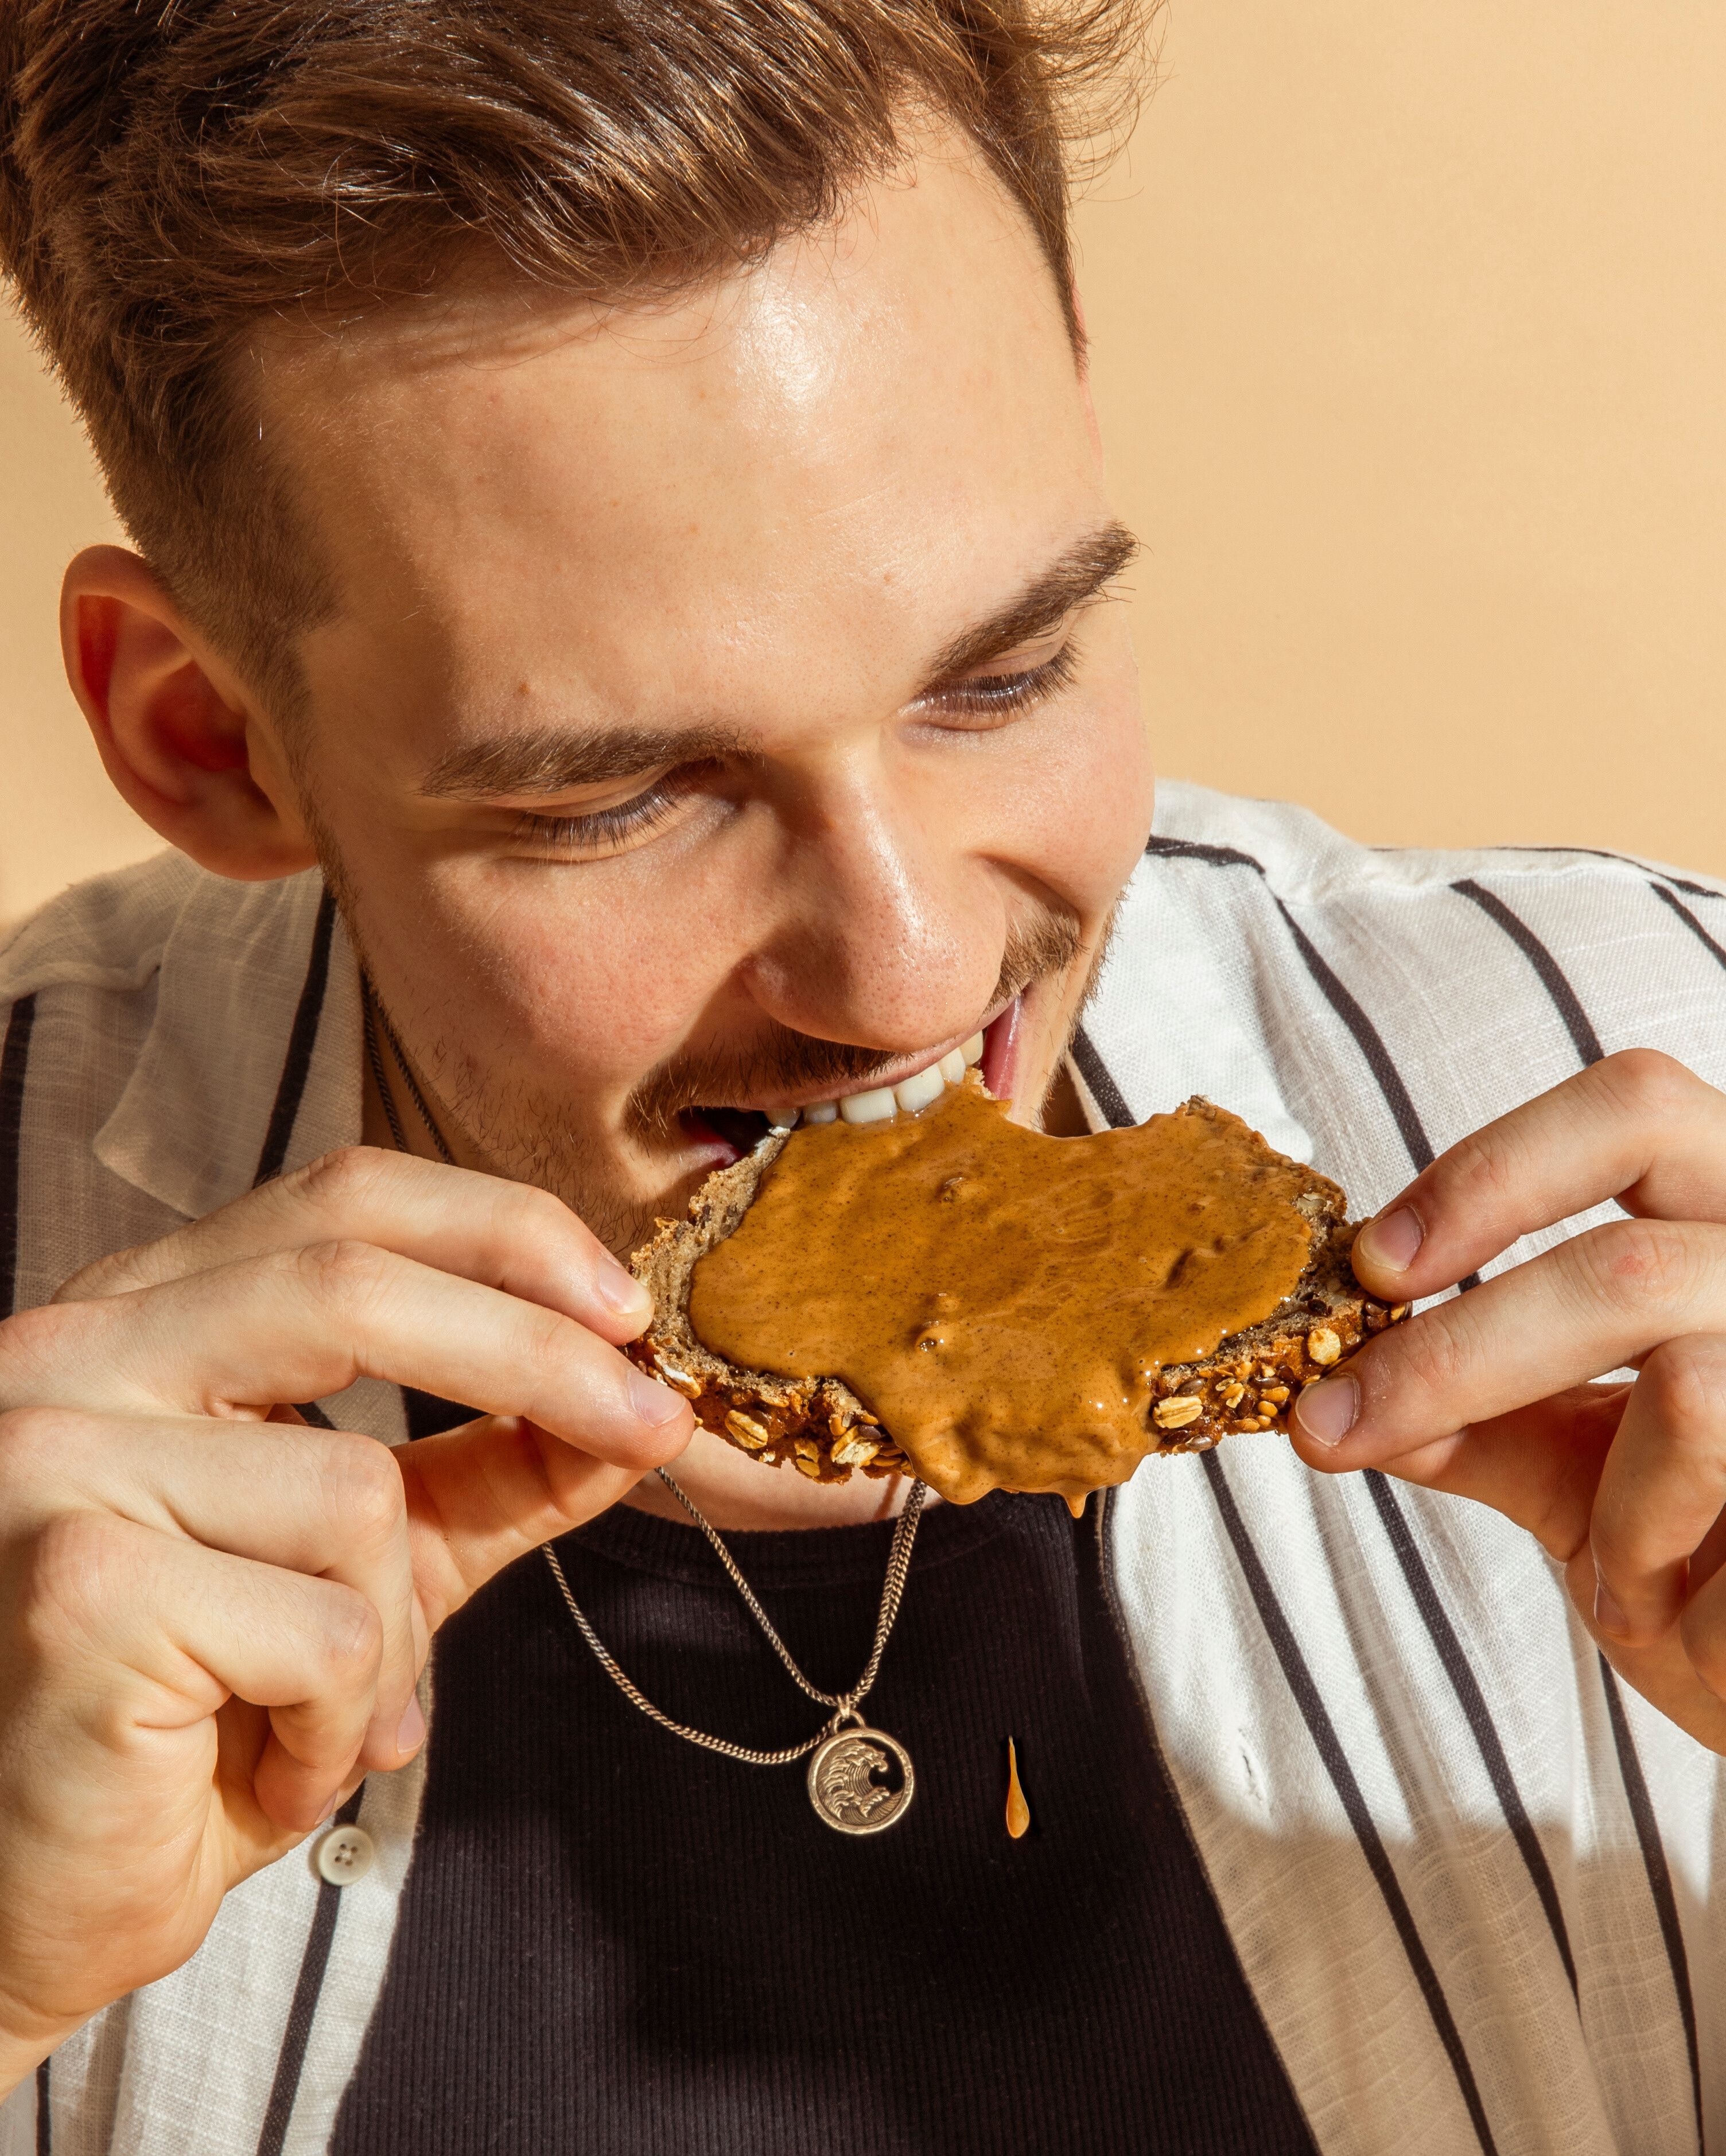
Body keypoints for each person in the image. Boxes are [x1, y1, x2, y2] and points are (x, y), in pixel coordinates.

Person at [0, 0, 1723, 2148]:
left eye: (1000, 675)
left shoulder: (1671, 1114)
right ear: (205, 735)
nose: (912, 977)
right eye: (621, 796)